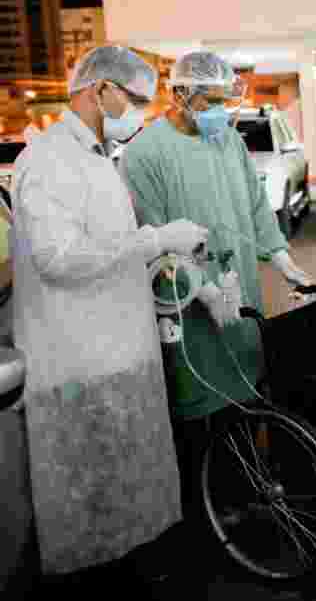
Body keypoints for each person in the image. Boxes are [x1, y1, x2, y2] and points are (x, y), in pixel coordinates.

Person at [10, 46, 208, 586]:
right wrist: (153, 241)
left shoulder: (100, 158)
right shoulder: (48, 161)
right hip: (79, 363)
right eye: (137, 99)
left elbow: (109, 246)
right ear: (100, 90)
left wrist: (169, 263)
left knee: (130, 506)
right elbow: (59, 259)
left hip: (121, 354)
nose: (142, 112)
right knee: (90, 512)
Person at [119, 50, 313, 547]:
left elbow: (254, 206)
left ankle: (251, 503)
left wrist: (281, 256)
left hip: (241, 298)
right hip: (189, 312)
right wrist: (198, 287)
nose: (219, 114)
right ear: (180, 95)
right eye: (210, 102)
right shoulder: (146, 155)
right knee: (202, 414)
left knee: (249, 403)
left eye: (225, 104)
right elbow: (152, 237)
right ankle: (208, 524)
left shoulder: (229, 142)